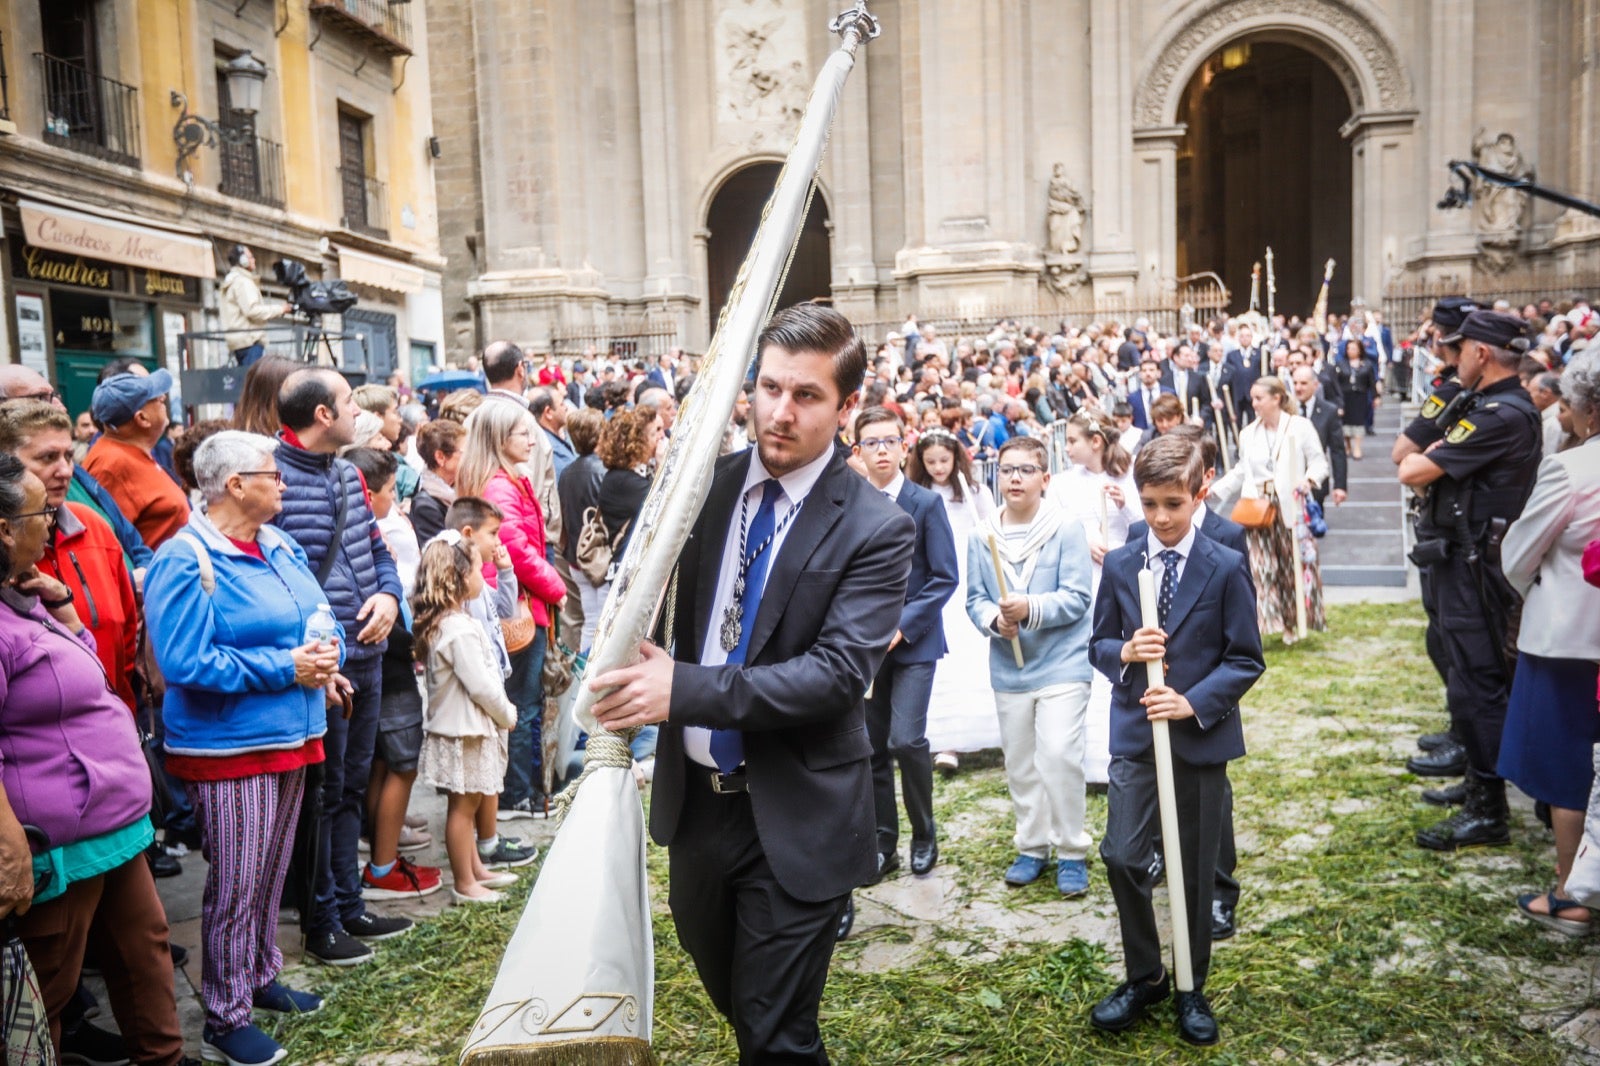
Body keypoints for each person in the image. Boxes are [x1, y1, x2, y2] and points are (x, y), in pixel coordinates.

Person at [587, 304, 915, 1063]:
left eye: (806, 395)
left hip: (798, 812)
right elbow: (661, 601)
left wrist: (684, 691)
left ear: (848, 406)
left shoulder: (876, 526)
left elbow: (836, 676)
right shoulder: (705, 488)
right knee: (744, 1009)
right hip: (696, 811)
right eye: (768, 388)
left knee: (771, 1030)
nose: (779, 411)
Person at [144, 430, 339, 1065]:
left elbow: (317, 612)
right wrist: (288, 667)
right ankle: (224, 1018)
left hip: (293, 735)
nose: (282, 483)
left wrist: (326, 655)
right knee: (237, 882)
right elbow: (188, 662)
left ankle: (260, 976)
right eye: (272, 473)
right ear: (235, 485)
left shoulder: (277, 543)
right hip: (230, 747)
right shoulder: (186, 559)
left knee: (269, 873)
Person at [0, 455, 189, 1065]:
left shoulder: (22, 597)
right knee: (47, 990)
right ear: (4, 529)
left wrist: (64, 613)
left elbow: (85, 682)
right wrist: (9, 854)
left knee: (145, 953)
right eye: (43, 513)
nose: (54, 522)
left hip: (112, 826)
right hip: (53, 845)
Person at [1089, 435, 1266, 1047]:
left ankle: (1192, 986)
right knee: (1122, 854)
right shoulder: (1121, 563)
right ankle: (1145, 975)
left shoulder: (1224, 563)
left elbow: (1246, 658)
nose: (1161, 519)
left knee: (1192, 867)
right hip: (1136, 735)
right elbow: (1098, 645)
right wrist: (1126, 652)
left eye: (1173, 504)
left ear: (1199, 494)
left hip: (1198, 739)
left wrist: (1193, 701)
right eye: (1149, 504)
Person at [270, 368, 410, 965]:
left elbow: (377, 553)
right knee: (321, 798)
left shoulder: (350, 474)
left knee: (351, 786)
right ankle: (320, 920)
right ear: (323, 415)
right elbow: (272, 584)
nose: (361, 410)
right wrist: (319, 664)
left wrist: (389, 596)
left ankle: (349, 904)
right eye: (350, 400)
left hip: (370, 654)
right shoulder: (271, 481)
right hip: (326, 670)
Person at [1400, 310, 1545, 850]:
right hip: (1463, 559)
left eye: (1459, 349)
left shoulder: (1501, 415)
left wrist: (1433, 457)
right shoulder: (1488, 407)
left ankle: (1490, 809)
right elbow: (1414, 461)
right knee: (1465, 674)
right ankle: (1479, 787)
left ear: (1482, 353)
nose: (1452, 356)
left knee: (1480, 682)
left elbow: (1412, 469)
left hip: (1477, 565)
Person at [966, 435, 1096, 895]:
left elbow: (1079, 597)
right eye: (1006, 470)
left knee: (1059, 755)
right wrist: (993, 620)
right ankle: (1032, 845)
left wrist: (1030, 609)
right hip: (1010, 667)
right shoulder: (983, 535)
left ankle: (1071, 850)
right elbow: (975, 599)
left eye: (1024, 470)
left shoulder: (1066, 528)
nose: (1014, 478)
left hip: (1062, 663)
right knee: (1021, 762)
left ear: (1045, 478)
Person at [1498, 350, 1600, 934]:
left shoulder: (1571, 469)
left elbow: (1517, 553)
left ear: (1585, 409)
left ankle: (1570, 894)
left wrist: (1542, 586)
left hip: (1570, 639)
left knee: (1569, 770)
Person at [852, 407, 958, 883]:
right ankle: (882, 842)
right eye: (871, 442)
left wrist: (904, 624)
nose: (880, 450)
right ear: (858, 451)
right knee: (872, 746)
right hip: (865, 646)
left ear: (903, 446)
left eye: (888, 441)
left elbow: (943, 577)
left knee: (906, 739)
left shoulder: (925, 504)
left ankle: (924, 830)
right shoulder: (851, 501)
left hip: (914, 642)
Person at [455, 401, 567, 819]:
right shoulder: (501, 486)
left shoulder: (504, 480)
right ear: (501, 439)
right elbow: (517, 551)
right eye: (524, 433)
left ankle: (519, 789)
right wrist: (556, 589)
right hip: (517, 606)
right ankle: (515, 794)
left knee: (520, 698)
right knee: (522, 701)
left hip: (519, 601)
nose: (533, 440)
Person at [344, 447, 442, 904]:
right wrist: (416, 643)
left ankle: (382, 859)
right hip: (390, 665)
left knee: (384, 764)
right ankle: (382, 866)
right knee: (401, 765)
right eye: (388, 492)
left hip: (388, 663)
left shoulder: (363, 534)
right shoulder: (368, 538)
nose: (395, 502)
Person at [0, 400, 138, 711]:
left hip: (114, 722)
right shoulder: (10, 553)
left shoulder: (92, 525)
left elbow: (126, 635)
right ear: (6, 464)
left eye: (68, 456)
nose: (64, 471)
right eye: (47, 457)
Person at [1392, 297, 1478, 785]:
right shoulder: (1451, 390)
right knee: (1445, 640)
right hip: (1443, 527)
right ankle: (1461, 733)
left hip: (1456, 532)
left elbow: (1404, 453)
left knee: (1458, 647)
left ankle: (1471, 749)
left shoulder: (1451, 393)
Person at [411, 535, 524, 904]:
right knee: (462, 808)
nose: (482, 574)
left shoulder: (453, 622)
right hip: (463, 733)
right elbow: (481, 687)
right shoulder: (457, 630)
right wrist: (506, 713)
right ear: (459, 578)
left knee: (471, 803)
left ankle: (475, 868)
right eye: (477, 568)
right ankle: (464, 882)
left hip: (469, 730)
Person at [443, 497, 539, 871]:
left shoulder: (478, 576)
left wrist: (506, 570)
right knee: (472, 785)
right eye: (493, 533)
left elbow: (505, 610)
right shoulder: (460, 586)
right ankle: (477, 859)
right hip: (477, 694)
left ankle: (489, 843)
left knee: (490, 773)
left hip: (494, 684)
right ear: (468, 533)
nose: (499, 539)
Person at [1048, 411, 1140, 786]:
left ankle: (1116, 752)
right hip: (1082, 574)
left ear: (1096, 442)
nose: (1066, 447)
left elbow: (1147, 522)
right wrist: (1083, 542)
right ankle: (1082, 759)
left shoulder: (1127, 475)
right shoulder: (1063, 483)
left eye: (1072, 440)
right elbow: (1054, 523)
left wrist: (1123, 505)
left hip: (1121, 574)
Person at [1209, 376, 1329, 642]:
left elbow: (1319, 462)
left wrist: (1308, 480)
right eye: (1252, 398)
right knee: (1260, 568)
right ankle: (1265, 625)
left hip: (1289, 508)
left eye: (1258, 398)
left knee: (1290, 567)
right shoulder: (1248, 432)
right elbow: (1242, 470)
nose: (1253, 404)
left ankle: (1291, 625)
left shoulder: (1300, 427)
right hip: (1257, 509)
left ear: (1277, 398)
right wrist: (1216, 489)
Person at [906, 428, 997, 773]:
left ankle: (984, 731)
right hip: (935, 577)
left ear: (956, 458)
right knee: (944, 659)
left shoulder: (976, 492)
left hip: (970, 573)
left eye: (944, 460)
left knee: (974, 655)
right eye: (930, 462)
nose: (938, 467)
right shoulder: (917, 492)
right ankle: (946, 741)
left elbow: (991, 529)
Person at [82, 369, 190, 550]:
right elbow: (108, 544)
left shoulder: (128, 453)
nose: (163, 398)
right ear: (142, 418)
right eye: (156, 398)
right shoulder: (111, 464)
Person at [556, 407, 608, 650]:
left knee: (591, 620)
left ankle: (587, 670)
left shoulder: (566, 473)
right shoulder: (605, 472)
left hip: (577, 558)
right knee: (605, 622)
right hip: (600, 558)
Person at [596, 405, 663, 565]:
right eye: (656, 432)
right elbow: (662, 505)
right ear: (637, 442)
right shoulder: (622, 481)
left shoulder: (625, 475)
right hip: (627, 571)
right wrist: (663, 466)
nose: (662, 436)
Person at [220, 245, 291, 367]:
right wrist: (281, 309)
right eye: (251, 257)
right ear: (243, 260)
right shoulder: (243, 282)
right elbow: (252, 310)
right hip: (250, 341)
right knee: (253, 383)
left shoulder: (232, 280)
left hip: (240, 342)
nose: (254, 260)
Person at [1292, 367, 1349, 508]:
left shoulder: (1329, 411)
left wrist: (1340, 486)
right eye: (1295, 383)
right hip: (1289, 482)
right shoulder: (1286, 411)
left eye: (1303, 383)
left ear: (1315, 385)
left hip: (1316, 484)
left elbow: (1337, 450)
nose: (1298, 388)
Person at [410, 418, 465, 545]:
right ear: (440, 457)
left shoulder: (459, 487)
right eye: (464, 452)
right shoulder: (426, 506)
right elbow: (440, 556)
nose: (470, 457)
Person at [1335, 339, 1379, 460]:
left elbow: (1371, 382)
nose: (1351, 351)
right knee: (1345, 422)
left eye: (1354, 348)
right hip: (1345, 396)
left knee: (1359, 422)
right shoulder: (1340, 364)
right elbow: (1336, 382)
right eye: (1349, 348)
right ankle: (1348, 445)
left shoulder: (1367, 364)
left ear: (1359, 350)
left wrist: (1376, 397)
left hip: (1360, 396)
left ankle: (1357, 447)